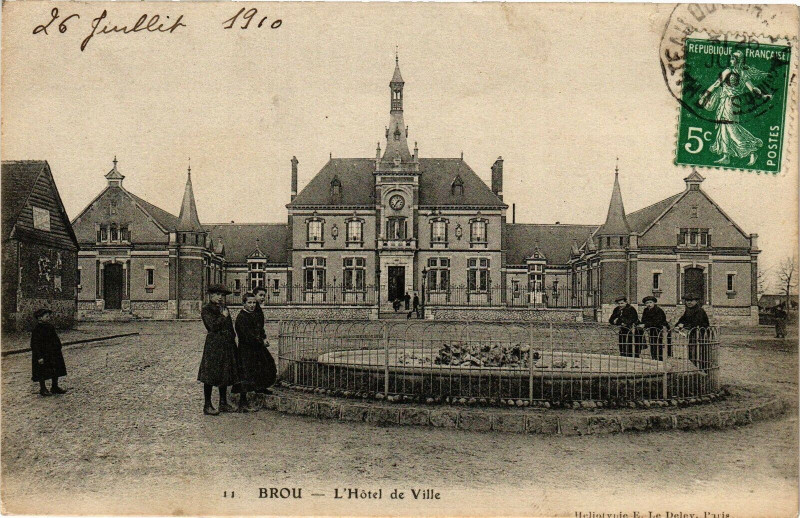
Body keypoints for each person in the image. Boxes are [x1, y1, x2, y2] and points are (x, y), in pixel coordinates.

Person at [698, 50, 773, 166]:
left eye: (734, 58)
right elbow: (716, 83)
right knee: (723, 128)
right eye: (731, 58)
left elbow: (752, 89)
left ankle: (752, 151)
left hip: (732, 102)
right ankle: (726, 156)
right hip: (725, 101)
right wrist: (705, 95)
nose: (731, 60)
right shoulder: (730, 71)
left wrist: (763, 96)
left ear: (739, 60)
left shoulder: (742, 74)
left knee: (731, 128)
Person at [197, 284, 239, 415]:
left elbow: (230, 327)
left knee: (225, 372)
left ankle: (223, 403)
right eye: (217, 294)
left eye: (222, 295)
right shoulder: (206, 309)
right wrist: (223, 316)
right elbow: (212, 327)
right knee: (210, 374)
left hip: (226, 344)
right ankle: (207, 405)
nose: (220, 297)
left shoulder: (224, 308)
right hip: (214, 345)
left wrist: (233, 340)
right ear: (211, 295)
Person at [235, 293, 278, 411]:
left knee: (266, 364)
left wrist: (264, 338)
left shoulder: (253, 315)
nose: (252, 305)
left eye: (254, 302)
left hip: (257, 347)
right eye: (249, 302)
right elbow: (247, 336)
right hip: (246, 350)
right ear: (243, 303)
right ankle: (243, 403)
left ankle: (260, 387)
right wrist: (260, 341)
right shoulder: (242, 317)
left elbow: (260, 329)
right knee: (246, 374)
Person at [30, 308, 67, 397]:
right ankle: (43, 388)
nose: (48, 318)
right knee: (41, 371)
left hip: (53, 352)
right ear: (39, 318)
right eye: (46, 316)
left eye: (49, 316)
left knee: (55, 369)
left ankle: (54, 387)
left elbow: (55, 338)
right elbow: (34, 344)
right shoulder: (37, 329)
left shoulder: (50, 327)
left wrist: (58, 346)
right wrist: (39, 357)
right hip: (43, 354)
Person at [675, 294, 711, 371]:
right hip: (693, 334)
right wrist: (677, 325)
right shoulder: (688, 310)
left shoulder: (699, 311)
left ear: (696, 301)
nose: (689, 302)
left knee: (700, 353)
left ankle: (703, 369)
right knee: (692, 352)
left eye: (691, 301)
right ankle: (694, 368)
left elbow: (697, 322)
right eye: (687, 301)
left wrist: (684, 325)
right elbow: (683, 319)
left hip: (701, 334)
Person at [639, 296, 670, 361]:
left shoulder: (658, 310)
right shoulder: (646, 310)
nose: (649, 304)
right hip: (651, 330)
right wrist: (642, 324)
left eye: (650, 302)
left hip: (659, 329)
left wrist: (645, 324)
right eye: (647, 303)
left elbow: (658, 321)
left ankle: (660, 360)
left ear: (654, 303)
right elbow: (643, 319)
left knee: (659, 345)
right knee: (652, 344)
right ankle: (654, 358)